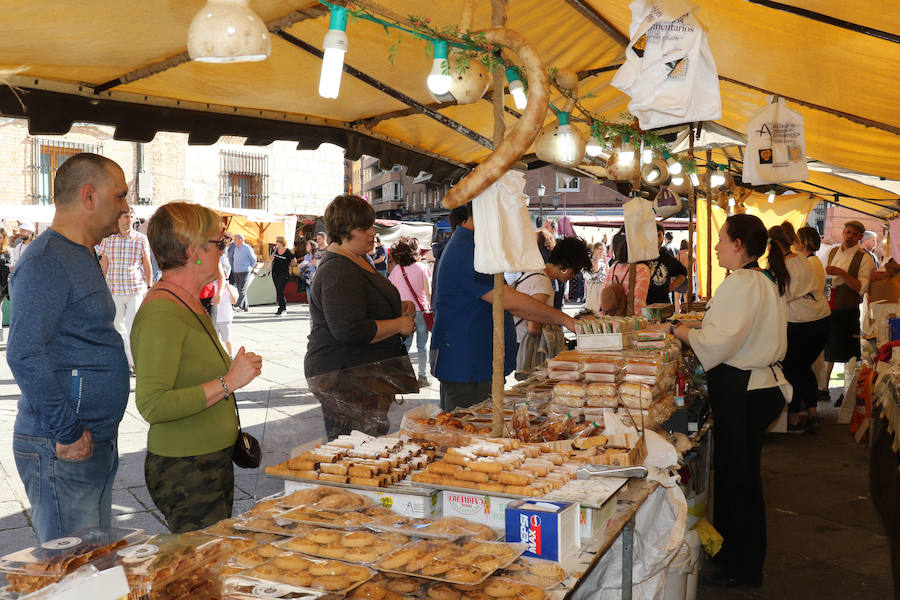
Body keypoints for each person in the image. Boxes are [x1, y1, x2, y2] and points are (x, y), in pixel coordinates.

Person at [7, 153, 131, 542]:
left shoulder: (79, 254)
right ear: (89, 196)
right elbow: (24, 352)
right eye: (121, 195)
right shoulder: (47, 260)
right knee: (72, 574)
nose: (127, 207)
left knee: (90, 565)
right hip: (63, 444)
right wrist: (68, 430)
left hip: (87, 438)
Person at [668, 213, 790, 588]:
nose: (717, 245)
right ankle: (738, 557)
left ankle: (742, 565)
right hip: (756, 388)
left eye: (722, 239)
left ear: (739, 245)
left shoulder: (743, 282)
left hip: (746, 390)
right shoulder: (759, 280)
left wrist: (679, 329)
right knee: (742, 477)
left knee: (741, 481)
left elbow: (720, 342)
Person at [131, 202, 263, 533]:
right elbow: (152, 404)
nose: (223, 251)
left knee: (212, 560)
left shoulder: (185, 300)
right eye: (218, 244)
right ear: (194, 252)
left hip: (206, 459)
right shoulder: (163, 312)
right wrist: (228, 381)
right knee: (201, 569)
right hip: (187, 468)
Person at [431, 204, 576, 411]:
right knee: (472, 433)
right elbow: (509, 301)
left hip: (474, 365)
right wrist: (564, 319)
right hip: (468, 367)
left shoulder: (473, 246)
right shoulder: (467, 249)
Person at [305, 195, 415, 440]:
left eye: (371, 226)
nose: (371, 233)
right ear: (344, 231)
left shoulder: (356, 257)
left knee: (370, 445)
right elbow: (349, 328)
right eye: (364, 228)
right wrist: (398, 324)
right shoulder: (338, 268)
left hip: (363, 374)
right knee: (356, 451)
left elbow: (359, 305)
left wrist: (395, 307)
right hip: (345, 376)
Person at [770, 225, 831, 431]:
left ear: (774, 244)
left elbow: (782, 296)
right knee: (803, 367)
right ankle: (812, 414)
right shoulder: (802, 260)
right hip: (821, 319)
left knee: (793, 369)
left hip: (801, 323)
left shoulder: (786, 265)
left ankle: (795, 417)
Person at [514, 237, 592, 373]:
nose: (574, 277)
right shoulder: (542, 282)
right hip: (522, 347)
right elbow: (534, 327)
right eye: (575, 271)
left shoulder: (536, 274)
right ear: (564, 266)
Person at [823, 220, 876, 394]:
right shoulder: (832, 252)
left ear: (860, 237)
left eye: (855, 234)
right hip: (828, 306)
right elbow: (824, 280)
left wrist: (842, 273)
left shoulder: (864, 258)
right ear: (843, 233)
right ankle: (823, 387)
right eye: (848, 232)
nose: (850, 236)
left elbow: (862, 287)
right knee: (828, 349)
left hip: (848, 308)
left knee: (849, 354)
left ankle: (848, 392)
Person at [98, 211, 153, 371]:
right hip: (114, 288)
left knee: (133, 326)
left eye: (131, 217)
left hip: (135, 288)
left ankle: (135, 362)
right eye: (126, 217)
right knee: (117, 327)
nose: (129, 220)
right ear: (118, 219)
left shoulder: (141, 239)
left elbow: (147, 264)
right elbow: (104, 264)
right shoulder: (108, 239)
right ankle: (128, 361)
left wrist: (149, 287)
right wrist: (102, 287)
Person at [388, 237, 431, 385]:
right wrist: (430, 309)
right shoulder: (422, 268)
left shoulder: (396, 270)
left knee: (405, 345)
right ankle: (422, 377)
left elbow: (391, 293)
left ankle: (403, 376)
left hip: (403, 313)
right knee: (422, 345)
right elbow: (428, 292)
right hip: (420, 311)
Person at [598, 230, 651, 315]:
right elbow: (638, 301)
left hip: (610, 318)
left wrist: (603, 316)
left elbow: (603, 294)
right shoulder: (642, 269)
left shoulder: (614, 267)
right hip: (629, 321)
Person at [646, 223, 687, 305]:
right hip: (645, 302)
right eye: (654, 235)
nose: (656, 239)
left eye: (659, 235)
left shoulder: (667, 257)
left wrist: (671, 287)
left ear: (663, 237)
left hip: (663, 302)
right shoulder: (643, 255)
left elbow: (683, 272)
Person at [265, 236, 296, 316]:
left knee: (280, 289)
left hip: (284, 273)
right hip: (275, 273)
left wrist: (290, 264)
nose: (276, 242)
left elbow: (294, 260)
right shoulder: (275, 250)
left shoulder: (287, 251)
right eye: (276, 241)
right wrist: (271, 258)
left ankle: (282, 308)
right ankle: (282, 308)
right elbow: (271, 259)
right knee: (278, 290)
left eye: (278, 241)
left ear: (282, 242)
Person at [213, 263, 238, 356]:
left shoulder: (231, 288)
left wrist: (228, 289)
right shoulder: (213, 286)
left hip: (225, 318)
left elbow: (234, 301)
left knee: (227, 339)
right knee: (215, 340)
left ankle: (230, 355)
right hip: (215, 318)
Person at [230, 233, 257, 312]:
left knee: (242, 290)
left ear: (240, 240)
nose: (234, 241)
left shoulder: (247, 248)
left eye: (235, 240)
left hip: (244, 271)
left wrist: (249, 268)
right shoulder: (236, 248)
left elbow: (254, 259)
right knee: (239, 289)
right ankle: (245, 306)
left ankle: (237, 305)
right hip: (236, 272)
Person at [674, 240, 692, 311]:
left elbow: (675, 267)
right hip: (688, 277)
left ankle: (677, 314)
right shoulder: (691, 254)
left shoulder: (679, 254)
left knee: (677, 298)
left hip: (680, 277)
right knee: (686, 299)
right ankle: (687, 313)